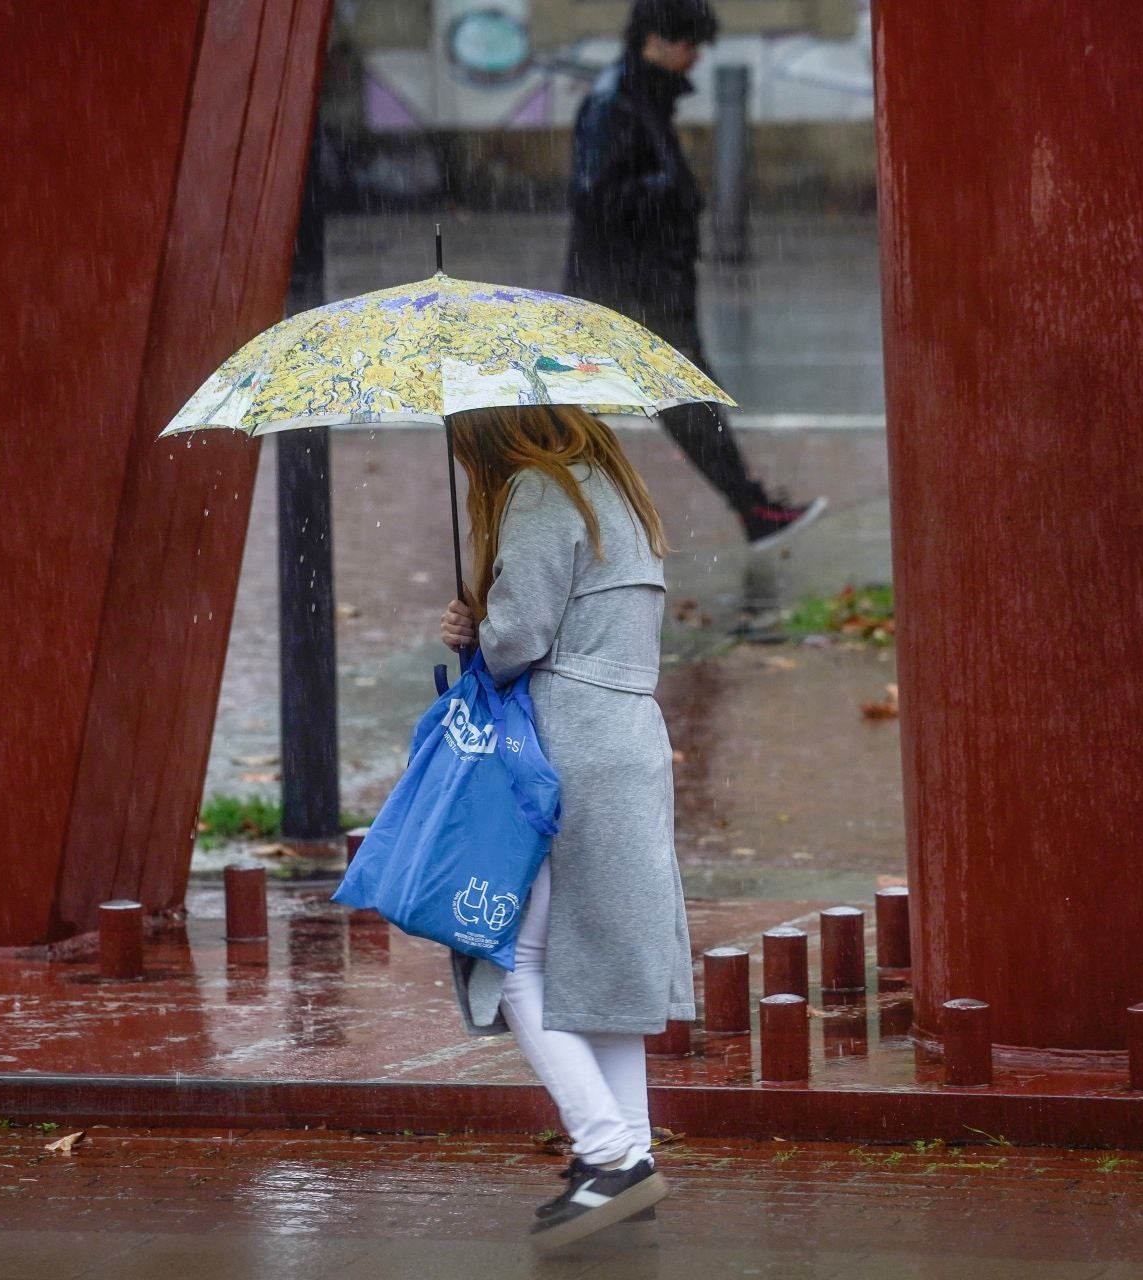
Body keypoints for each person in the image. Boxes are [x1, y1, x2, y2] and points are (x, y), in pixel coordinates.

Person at [438, 404, 694, 1248]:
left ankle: (608, 1150)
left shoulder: (541, 496)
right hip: (626, 737)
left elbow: (519, 642)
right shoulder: (615, 491)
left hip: (566, 747)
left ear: (488, 432)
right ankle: (627, 1160)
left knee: (508, 955)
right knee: (603, 970)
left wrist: (479, 623)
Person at [564, 0, 826, 549]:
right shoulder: (619, 104)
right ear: (656, 40)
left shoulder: (638, 99)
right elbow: (594, 195)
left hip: (642, 283)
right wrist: (673, 194)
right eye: (689, 43)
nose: (696, 57)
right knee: (674, 401)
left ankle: (750, 509)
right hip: (631, 288)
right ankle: (750, 511)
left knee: (664, 403)